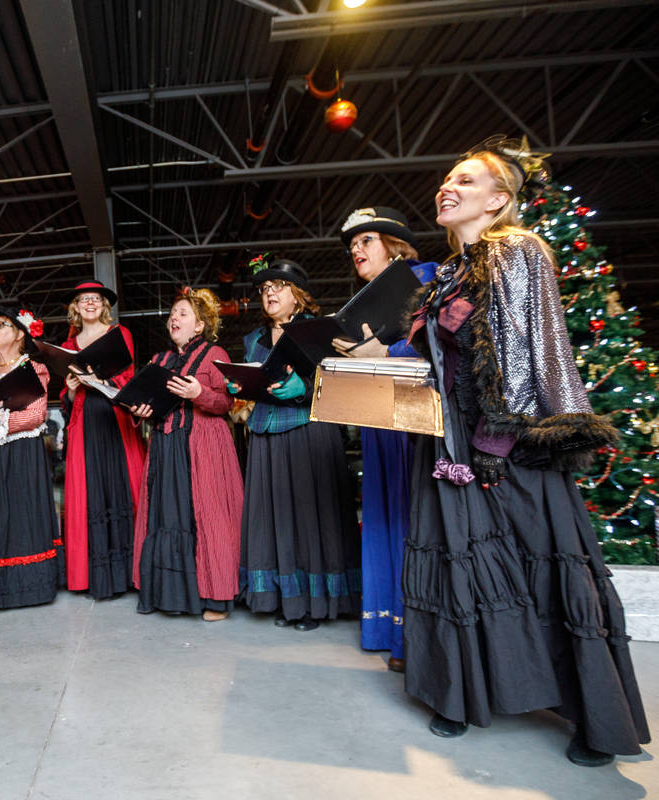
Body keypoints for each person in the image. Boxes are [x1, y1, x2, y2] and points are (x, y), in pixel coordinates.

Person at [401, 137, 649, 765]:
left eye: (464, 180)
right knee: (463, 561)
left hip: (507, 438)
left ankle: (597, 722)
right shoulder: (453, 269)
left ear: (499, 200)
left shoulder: (515, 249)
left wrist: (495, 439)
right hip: (450, 437)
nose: (447, 187)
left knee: (540, 559)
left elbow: (516, 351)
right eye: (446, 179)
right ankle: (462, 693)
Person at [329, 208, 437, 671]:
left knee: (414, 522)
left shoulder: (427, 280)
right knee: (380, 521)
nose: (356, 249)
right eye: (351, 244)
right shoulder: (363, 304)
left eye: (366, 240)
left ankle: (418, 632)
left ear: (395, 245)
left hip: (415, 423)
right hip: (378, 421)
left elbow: (442, 343)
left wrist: (385, 350)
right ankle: (388, 629)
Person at [233, 258, 360, 631]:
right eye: (264, 289)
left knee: (309, 516)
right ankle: (278, 597)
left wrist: (305, 387)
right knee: (273, 519)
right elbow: (257, 379)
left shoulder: (319, 331)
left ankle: (314, 603)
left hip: (308, 428)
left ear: (299, 296)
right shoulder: (253, 339)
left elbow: (339, 380)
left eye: (279, 287)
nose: (269, 293)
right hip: (265, 433)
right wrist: (240, 386)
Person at [130, 288, 242, 620]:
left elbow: (225, 404)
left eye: (182, 313)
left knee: (206, 520)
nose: (174, 318)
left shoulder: (214, 353)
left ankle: (215, 597)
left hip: (203, 447)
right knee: (165, 517)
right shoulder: (159, 361)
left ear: (199, 325)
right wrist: (141, 410)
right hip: (166, 447)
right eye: (172, 314)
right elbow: (148, 405)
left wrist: (199, 393)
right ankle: (167, 594)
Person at [0, 306, 62, 608]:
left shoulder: (34, 368)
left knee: (19, 517)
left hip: (18, 450)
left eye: (2, 325)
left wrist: (3, 417)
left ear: (20, 334)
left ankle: (26, 589)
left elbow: (36, 413)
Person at [59, 280, 146, 599]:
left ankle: (130, 574)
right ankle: (98, 578)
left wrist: (99, 380)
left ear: (103, 305)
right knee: (91, 492)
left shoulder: (119, 334)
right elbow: (65, 395)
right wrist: (70, 389)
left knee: (121, 487)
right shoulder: (69, 345)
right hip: (85, 421)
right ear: (76, 308)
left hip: (115, 415)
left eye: (95, 298)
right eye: (84, 299)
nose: (90, 303)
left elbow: (129, 376)